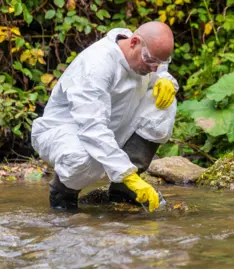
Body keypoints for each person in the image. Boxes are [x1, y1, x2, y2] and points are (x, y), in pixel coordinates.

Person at [31, 22, 179, 213]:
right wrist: (127, 174)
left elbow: (159, 72)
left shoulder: (144, 56)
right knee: (83, 156)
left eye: (160, 63)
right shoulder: (96, 66)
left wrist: (167, 81)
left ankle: (123, 190)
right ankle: (64, 195)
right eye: (151, 61)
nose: (153, 69)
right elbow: (92, 129)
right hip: (67, 131)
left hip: (113, 125)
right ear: (134, 42)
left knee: (163, 102)